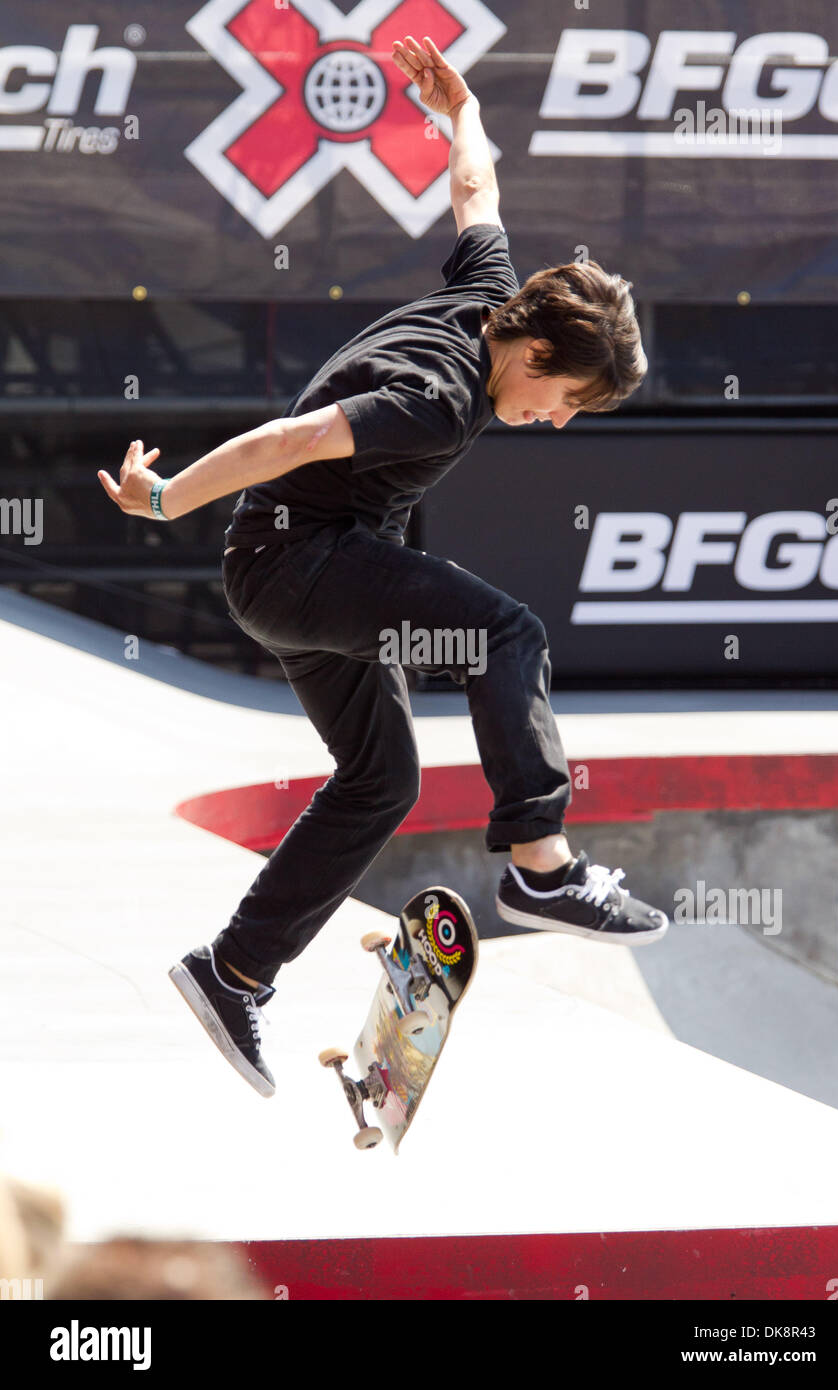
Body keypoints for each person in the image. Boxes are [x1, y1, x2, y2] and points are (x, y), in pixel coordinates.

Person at [99, 35, 668, 1099]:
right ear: (535, 359)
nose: (552, 423)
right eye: (564, 403)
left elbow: (474, 190)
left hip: (291, 574)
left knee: (381, 780)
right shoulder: (434, 394)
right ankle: (540, 865)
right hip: (300, 566)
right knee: (508, 632)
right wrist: (169, 498)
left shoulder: (490, 293)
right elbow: (289, 440)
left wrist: (458, 113)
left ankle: (233, 971)